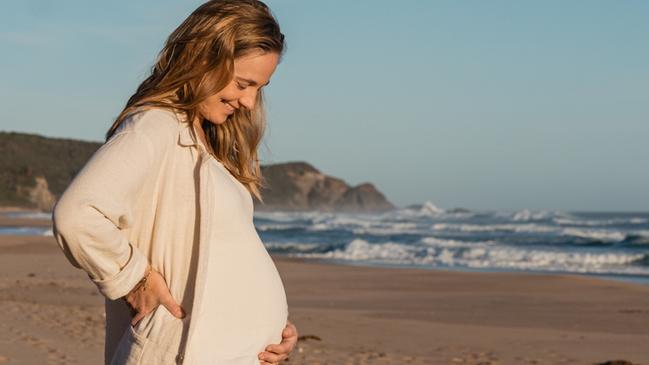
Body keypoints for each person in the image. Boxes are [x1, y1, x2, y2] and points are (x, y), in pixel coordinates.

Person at [51, 0, 298, 363]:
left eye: (258, 88)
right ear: (203, 59)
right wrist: (135, 281)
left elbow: (216, 257)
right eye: (243, 83)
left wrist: (272, 327)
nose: (248, 101)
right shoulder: (157, 126)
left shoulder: (202, 143)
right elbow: (77, 215)